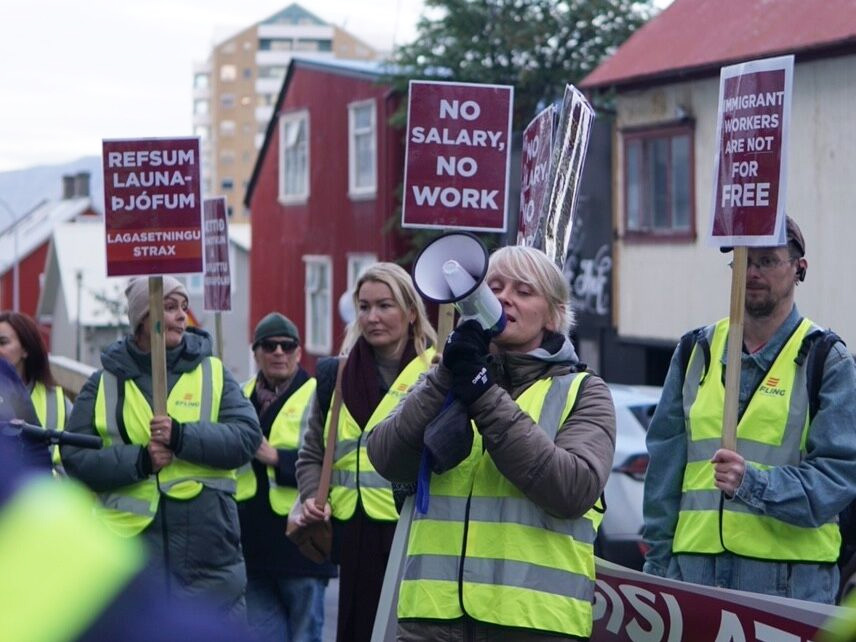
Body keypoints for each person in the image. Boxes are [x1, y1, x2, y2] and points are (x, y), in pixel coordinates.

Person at [368, 245, 616, 641]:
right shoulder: (445, 376)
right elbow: (386, 457)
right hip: (432, 618)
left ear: (553, 315)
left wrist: (484, 395)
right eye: (494, 286)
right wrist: (446, 376)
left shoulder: (584, 392)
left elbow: (573, 488)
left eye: (523, 290)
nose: (503, 298)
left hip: (530, 621)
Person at [643, 216, 856, 604]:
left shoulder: (827, 359)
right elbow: (664, 471)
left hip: (788, 584)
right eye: (743, 261)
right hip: (695, 577)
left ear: (799, 269)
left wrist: (753, 484)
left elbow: (837, 480)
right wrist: (659, 569)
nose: (751, 272)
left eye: (766, 261)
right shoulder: (696, 351)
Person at [62, 276, 262, 614]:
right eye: (170, 308)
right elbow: (75, 458)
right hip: (129, 556)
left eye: (184, 307)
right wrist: (140, 460)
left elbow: (246, 437)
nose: (182, 316)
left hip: (210, 556)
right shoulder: (103, 383)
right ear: (143, 319)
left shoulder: (213, 372)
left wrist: (181, 437)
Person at [296, 262, 437, 642]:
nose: (372, 317)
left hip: (414, 532)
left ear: (411, 312)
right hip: (353, 535)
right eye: (364, 307)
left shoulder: (437, 372)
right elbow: (311, 452)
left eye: (385, 306)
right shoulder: (335, 376)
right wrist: (313, 496)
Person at [238, 312, 336, 642]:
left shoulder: (318, 394)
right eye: (269, 345)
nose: (278, 352)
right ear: (256, 352)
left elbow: (332, 462)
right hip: (252, 545)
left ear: (298, 352)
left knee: (306, 635)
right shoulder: (237, 396)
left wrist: (277, 458)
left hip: (301, 546)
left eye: (287, 345)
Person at [0, 311, 71, 471]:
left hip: (44, 491)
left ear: (26, 349)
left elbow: (78, 460)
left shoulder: (58, 402)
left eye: (3, 342)